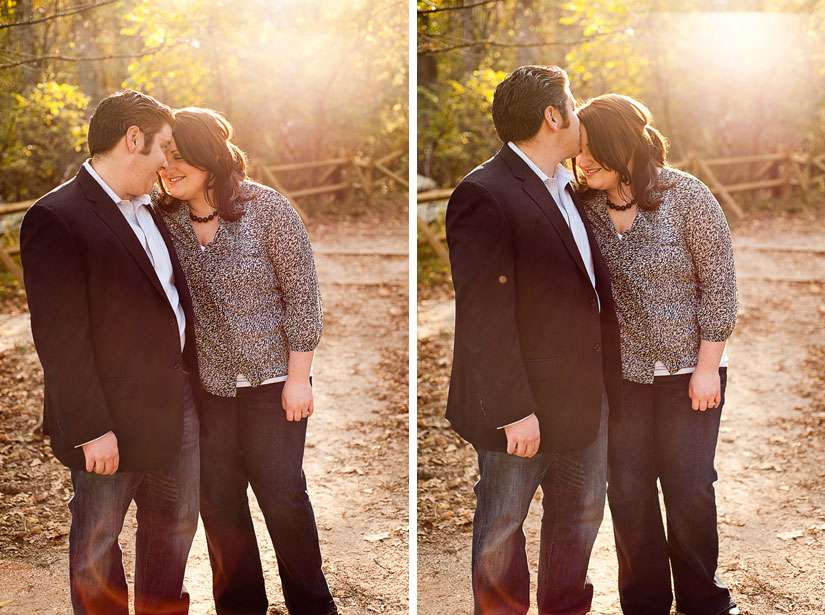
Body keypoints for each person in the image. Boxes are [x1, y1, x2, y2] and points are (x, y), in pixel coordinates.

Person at [444, 65, 623, 615]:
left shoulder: (569, 188)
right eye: (572, 101)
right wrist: (513, 409)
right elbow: (484, 315)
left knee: (582, 512)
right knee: (503, 524)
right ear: (553, 116)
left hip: (582, 393)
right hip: (520, 406)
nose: (579, 110)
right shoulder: (484, 192)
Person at [20, 91, 200, 615]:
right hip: (109, 419)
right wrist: (91, 427)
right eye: (164, 147)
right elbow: (60, 338)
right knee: (98, 543)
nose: (169, 162)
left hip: (176, 407)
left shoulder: (153, 209)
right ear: (134, 139)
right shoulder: (56, 216)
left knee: (175, 528)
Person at [154, 107, 337, 615]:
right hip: (208, 391)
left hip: (273, 386)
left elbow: (303, 297)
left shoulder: (269, 210)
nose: (167, 168)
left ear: (208, 156)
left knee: (284, 503)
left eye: (178, 156)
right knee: (219, 507)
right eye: (162, 158)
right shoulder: (162, 219)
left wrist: (299, 379)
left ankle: (313, 607)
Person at [574, 93, 739, 615]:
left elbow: (720, 285)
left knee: (690, 492)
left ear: (622, 145)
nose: (581, 160)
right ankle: (643, 604)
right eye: (578, 150)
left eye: (592, 149)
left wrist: (708, 368)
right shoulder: (581, 206)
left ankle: (703, 602)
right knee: (627, 492)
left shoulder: (688, 196)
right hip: (619, 379)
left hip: (690, 373)